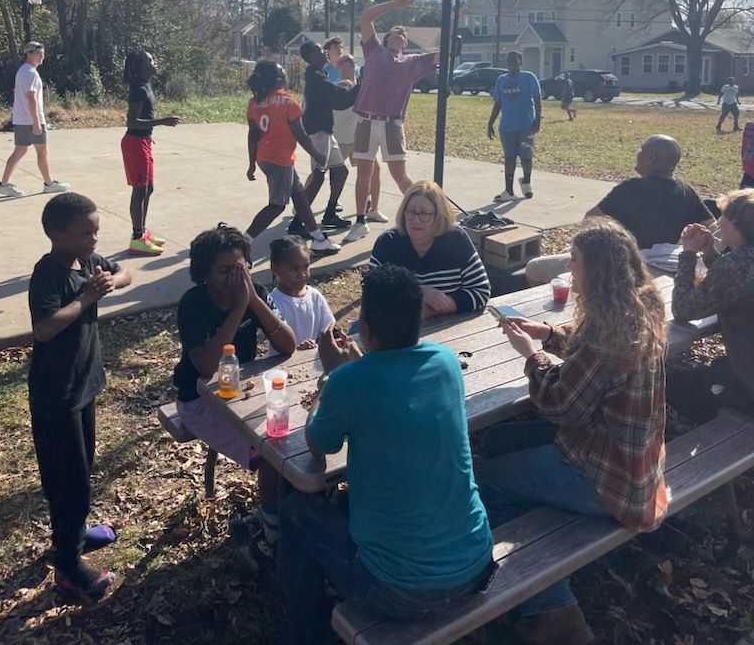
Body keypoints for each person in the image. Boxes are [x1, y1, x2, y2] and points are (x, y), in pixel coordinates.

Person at [277, 264, 494, 645]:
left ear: (367, 329)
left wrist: (330, 377)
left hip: (397, 593)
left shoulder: (348, 381)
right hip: (476, 566)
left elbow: (318, 445)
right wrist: (359, 366)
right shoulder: (445, 363)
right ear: (418, 318)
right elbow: (394, 389)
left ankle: (301, 632)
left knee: (296, 511)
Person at [478, 220, 667, 645]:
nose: (569, 267)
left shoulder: (606, 330)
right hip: (636, 462)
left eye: (575, 260)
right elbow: (588, 354)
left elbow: (562, 406)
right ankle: (534, 539)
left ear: (597, 269)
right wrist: (548, 332)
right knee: (497, 444)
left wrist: (533, 355)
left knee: (485, 482)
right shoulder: (636, 309)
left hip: (608, 478)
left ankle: (551, 611)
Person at [174, 223, 295, 570]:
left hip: (243, 394)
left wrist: (254, 301)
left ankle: (286, 513)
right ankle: (270, 531)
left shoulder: (253, 292)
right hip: (200, 399)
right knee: (272, 455)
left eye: (240, 268)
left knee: (290, 441)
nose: (233, 278)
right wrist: (240, 308)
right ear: (205, 273)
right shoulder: (193, 303)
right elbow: (206, 367)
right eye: (224, 271)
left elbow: (287, 344)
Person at [29, 192, 132, 601]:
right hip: (57, 396)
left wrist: (111, 281)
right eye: (84, 233)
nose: (92, 240)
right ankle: (69, 568)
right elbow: (44, 328)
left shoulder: (87, 261)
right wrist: (87, 297)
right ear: (57, 234)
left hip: (84, 384)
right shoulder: (49, 273)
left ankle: (72, 533)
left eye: (95, 232)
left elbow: (123, 273)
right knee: (67, 479)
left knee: (82, 467)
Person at [525, 134, 714, 285]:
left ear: (651, 158)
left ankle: (559, 310)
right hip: (661, 263)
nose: (637, 154)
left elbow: (590, 221)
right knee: (566, 251)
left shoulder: (631, 187)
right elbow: (710, 226)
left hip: (621, 266)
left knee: (534, 268)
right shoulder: (686, 190)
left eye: (641, 150)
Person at [344, 0, 438, 243]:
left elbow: (444, 53)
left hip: (391, 124)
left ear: (405, 44)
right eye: (396, 31)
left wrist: (452, 21)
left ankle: (427, 215)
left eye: (404, 33)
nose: (400, 31)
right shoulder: (373, 50)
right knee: (363, 172)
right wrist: (394, 4)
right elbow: (365, 19)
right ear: (386, 39)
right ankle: (361, 221)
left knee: (399, 175)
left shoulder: (413, 62)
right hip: (365, 120)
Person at [669, 190, 754, 421]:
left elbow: (683, 309)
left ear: (735, 223)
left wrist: (687, 254)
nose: (718, 221)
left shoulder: (734, 266)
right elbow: (734, 285)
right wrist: (710, 252)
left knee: (670, 386)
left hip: (748, 385)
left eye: (723, 215)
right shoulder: (741, 262)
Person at [245, 61, 339, 255]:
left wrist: (251, 163)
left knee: (299, 196)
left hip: (265, 157)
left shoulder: (254, 102)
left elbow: (253, 134)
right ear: (278, 79)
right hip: (280, 159)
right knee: (277, 205)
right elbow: (300, 134)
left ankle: (318, 239)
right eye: (283, 72)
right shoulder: (288, 101)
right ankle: (242, 241)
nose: (286, 75)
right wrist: (317, 154)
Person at [368, 181, 489, 318]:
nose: (416, 220)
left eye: (424, 214)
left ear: (439, 215)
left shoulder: (456, 239)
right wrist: (416, 293)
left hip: (449, 327)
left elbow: (481, 290)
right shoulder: (387, 243)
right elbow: (372, 294)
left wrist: (444, 306)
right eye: (411, 212)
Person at [121, 50, 180, 257]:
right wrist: (162, 121)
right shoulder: (138, 90)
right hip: (135, 143)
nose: (155, 62)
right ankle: (137, 238)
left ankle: (142, 232)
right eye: (150, 60)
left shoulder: (146, 86)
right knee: (139, 191)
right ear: (140, 67)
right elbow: (131, 121)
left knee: (148, 189)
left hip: (143, 142)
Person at [298, 40, 360, 231]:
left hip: (326, 131)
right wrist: (359, 87)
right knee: (318, 176)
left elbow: (339, 102)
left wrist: (357, 88)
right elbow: (338, 97)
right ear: (310, 57)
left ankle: (330, 213)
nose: (324, 52)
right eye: (319, 50)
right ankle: (299, 222)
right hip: (318, 133)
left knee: (341, 171)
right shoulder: (315, 77)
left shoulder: (318, 75)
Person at [0, 41, 69, 198]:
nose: (41, 56)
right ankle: (49, 184)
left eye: (42, 53)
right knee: (42, 151)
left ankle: (4, 184)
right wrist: (36, 122)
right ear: (27, 54)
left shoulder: (23, 71)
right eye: (37, 53)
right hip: (30, 120)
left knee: (20, 151)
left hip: (22, 119)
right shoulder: (30, 73)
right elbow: (31, 98)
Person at [333, 54, 386, 223]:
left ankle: (373, 208)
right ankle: (302, 204)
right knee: (322, 172)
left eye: (349, 64)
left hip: (360, 138)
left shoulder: (364, 87)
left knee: (374, 170)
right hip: (340, 138)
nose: (346, 67)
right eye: (342, 65)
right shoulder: (338, 87)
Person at [487, 50, 542, 201]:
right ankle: (509, 190)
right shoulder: (501, 80)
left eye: (515, 61)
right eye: (509, 61)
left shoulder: (529, 78)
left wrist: (537, 119)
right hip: (507, 127)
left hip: (526, 126)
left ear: (520, 62)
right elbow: (498, 103)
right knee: (509, 158)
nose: (511, 64)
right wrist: (490, 123)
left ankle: (526, 183)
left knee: (526, 157)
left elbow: (537, 99)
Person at [268, 235, 335, 349]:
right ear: (275, 269)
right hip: (281, 362)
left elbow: (329, 324)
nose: (301, 274)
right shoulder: (272, 302)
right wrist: (298, 349)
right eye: (294, 269)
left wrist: (323, 339)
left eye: (305, 267)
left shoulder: (315, 296)